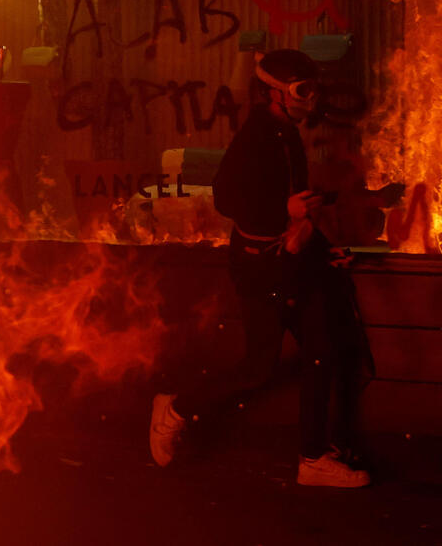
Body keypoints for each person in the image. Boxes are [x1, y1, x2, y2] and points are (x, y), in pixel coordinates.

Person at [149, 49, 372, 488]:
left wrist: (324, 247)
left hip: (290, 261)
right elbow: (227, 199)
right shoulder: (256, 135)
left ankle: (311, 459)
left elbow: (294, 204)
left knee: (321, 350)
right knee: (258, 367)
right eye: (302, 91)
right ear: (274, 93)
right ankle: (174, 409)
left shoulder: (286, 132)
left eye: (313, 90)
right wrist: (282, 210)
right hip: (261, 267)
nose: (311, 99)